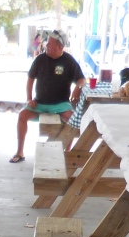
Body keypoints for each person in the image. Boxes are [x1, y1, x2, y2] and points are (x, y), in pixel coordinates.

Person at [11, 30, 85, 163]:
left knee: (73, 120)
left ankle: (66, 152)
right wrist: (29, 99)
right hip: (40, 103)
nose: (46, 45)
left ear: (59, 47)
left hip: (61, 104)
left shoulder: (69, 60)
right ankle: (19, 151)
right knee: (22, 116)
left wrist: (77, 88)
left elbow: (82, 80)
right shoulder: (40, 59)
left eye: (49, 43)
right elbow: (30, 79)